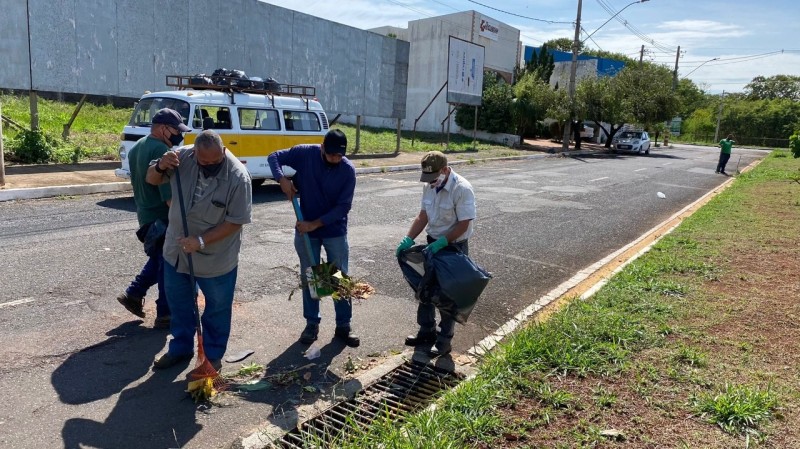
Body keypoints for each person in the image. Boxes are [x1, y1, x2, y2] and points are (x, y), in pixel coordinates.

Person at [145, 130, 252, 369]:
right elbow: (151, 179)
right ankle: (180, 349)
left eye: (216, 160)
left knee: (217, 308)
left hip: (216, 257)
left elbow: (236, 221)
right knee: (180, 303)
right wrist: (161, 166)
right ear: (195, 153)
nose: (211, 165)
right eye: (205, 162)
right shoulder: (180, 158)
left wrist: (201, 241)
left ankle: (212, 356)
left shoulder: (238, 177)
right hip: (177, 251)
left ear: (223, 151)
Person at [267, 129, 360, 347]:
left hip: (333, 231)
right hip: (306, 229)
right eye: (331, 155)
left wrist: (314, 224)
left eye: (340, 155)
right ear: (322, 148)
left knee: (338, 276)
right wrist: (281, 179)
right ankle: (312, 323)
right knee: (310, 276)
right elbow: (274, 157)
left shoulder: (347, 170)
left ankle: (343, 325)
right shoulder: (305, 154)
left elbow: (343, 207)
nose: (335, 159)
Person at [396, 151, 476, 357]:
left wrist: (443, 242)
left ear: (445, 170)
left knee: (447, 296)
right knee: (425, 291)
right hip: (432, 245)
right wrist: (408, 238)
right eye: (427, 179)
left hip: (453, 247)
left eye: (434, 178)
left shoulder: (461, 188)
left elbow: (464, 223)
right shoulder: (428, 186)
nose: (431, 183)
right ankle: (426, 331)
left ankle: (444, 341)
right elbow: (423, 215)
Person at [116, 108, 188, 328]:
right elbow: (169, 199)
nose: (179, 135)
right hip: (162, 218)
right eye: (176, 130)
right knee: (170, 266)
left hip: (145, 216)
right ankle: (165, 314)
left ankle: (134, 294)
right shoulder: (162, 152)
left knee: (159, 260)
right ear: (163, 128)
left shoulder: (138, 147)